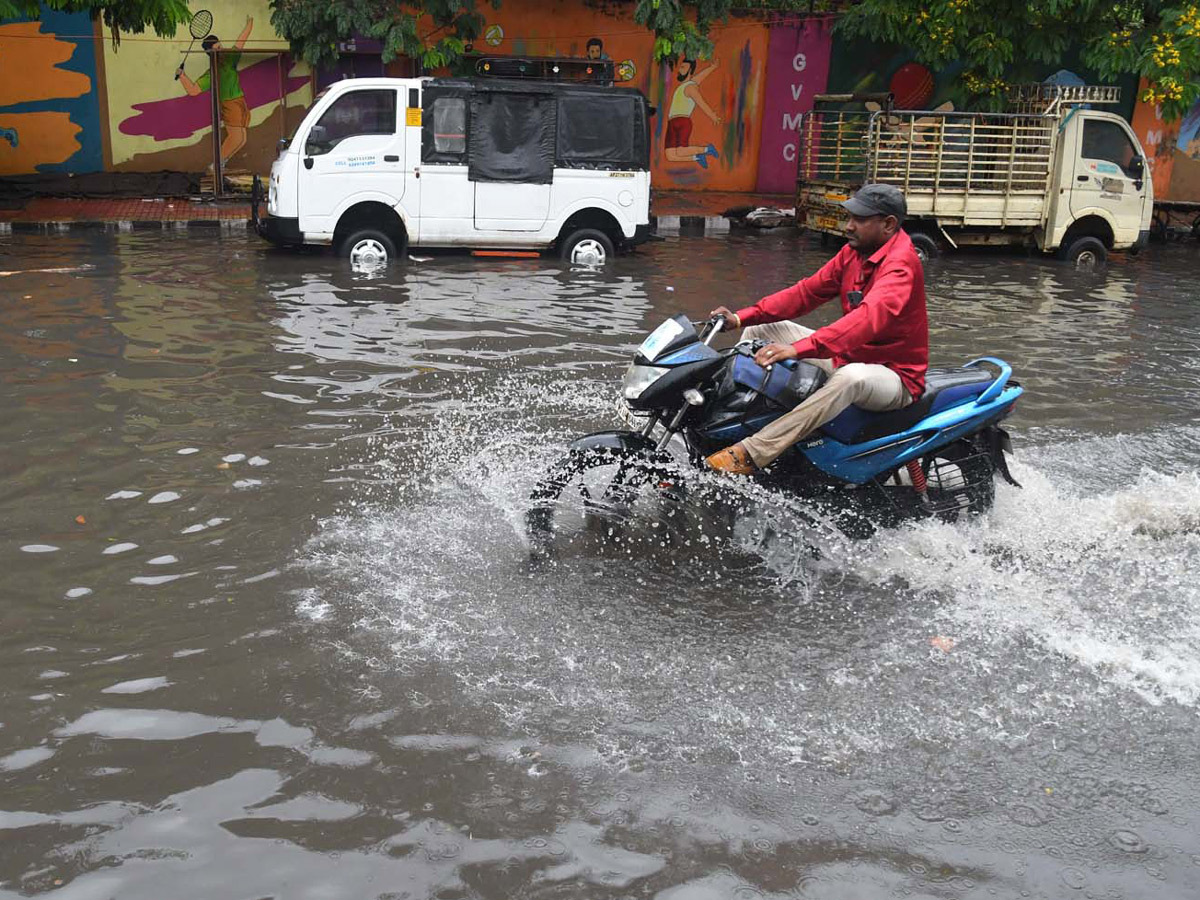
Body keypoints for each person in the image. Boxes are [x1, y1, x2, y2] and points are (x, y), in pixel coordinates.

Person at [705, 184, 928, 474]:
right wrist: (740, 317)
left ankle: (754, 452)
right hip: (847, 355)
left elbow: (865, 321)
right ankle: (733, 417)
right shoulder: (854, 253)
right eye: (850, 217)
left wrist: (798, 349)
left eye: (859, 220)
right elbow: (805, 294)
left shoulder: (900, 266)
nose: (848, 226)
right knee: (763, 331)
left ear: (888, 224)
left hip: (894, 377)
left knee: (850, 378)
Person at [178, 16, 254, 171]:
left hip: (240, 101)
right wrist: (182, 76)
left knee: (242, 139)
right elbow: (193, 90)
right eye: (217, 49)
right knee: (236, 137)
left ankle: (221, 163)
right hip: (229, 104)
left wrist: (249, 25)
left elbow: (240, 42)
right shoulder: (212, 73)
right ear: (210, 53)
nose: (221, 50)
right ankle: (217, 165)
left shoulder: (230, 59)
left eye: (221, 46)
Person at [664, 57, 722, 168]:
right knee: (670, 156)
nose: (680, 70)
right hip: (672, 122)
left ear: (690, 70)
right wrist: (712, 67)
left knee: (680, 152)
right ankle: (697, 157)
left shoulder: (691, 88)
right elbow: (700, 77)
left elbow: (701, 103)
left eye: (683, 67)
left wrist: (712, 116)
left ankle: (707, 149)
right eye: (680, 67)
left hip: (682, 121)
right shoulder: (687, 84)